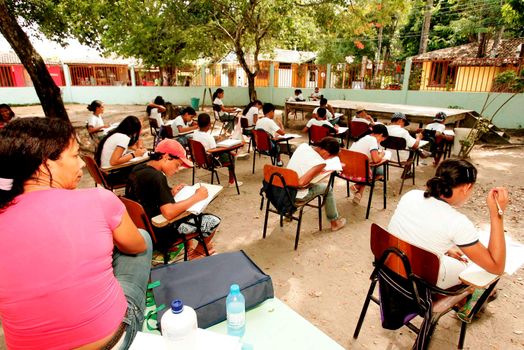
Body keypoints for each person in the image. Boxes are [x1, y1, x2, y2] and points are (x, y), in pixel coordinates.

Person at [0, 117, 152, 349]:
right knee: (142, 238)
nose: (81, 163)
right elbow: (136, 248)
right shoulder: (98, 200)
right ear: (46, 163)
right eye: (74, 155)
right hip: (112, 341)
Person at [388, 159, 508, 290]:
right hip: (418, 282)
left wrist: (446, 250)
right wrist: (497, 214)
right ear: (467, 187)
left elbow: (415, 229)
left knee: (454, 260)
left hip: (389, 266)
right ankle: (464, 300)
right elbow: (497, 267)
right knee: (470, 268)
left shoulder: (411, 195)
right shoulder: (457, 222)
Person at [126, 139, 221, 257]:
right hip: (161, 233)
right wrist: (196, 197)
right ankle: (197, 253)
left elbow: (147, 196)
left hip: (144, 229)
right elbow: (169, 213)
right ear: (166, 157)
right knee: (213, 221)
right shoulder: (157, 177)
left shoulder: (139, 169)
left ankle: (193, 247)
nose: (177, 170)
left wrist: (170, 192)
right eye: (177, 165)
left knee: (189, 211)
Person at [286, 137, 346, 231]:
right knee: (328, 188)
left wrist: (315, 172)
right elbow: (300, 183)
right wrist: (314, 177)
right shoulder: (320, 163)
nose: (327, 159)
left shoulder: (303, 146)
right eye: (330, 157)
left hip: (283, 187)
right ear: (326, 153)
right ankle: (335, 223)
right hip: (295, 194)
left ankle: (288, 213)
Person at [192, 113, 243, 188]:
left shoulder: (195, 133)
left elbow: (205, 143)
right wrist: (227, 150)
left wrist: (216, 140)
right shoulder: (209, 137)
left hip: (199, 159)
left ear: (198, 123)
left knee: (229, 153)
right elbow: (216, 152)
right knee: (231, 156)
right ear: (209, 125)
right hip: (210, 161)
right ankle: (232, 181)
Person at [95, 115, 147, 184]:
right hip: (111, 175)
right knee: (144, 171)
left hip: (105, 173)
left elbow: (135, 147)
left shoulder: (117, 134)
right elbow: (113, 161)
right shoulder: (123, 138)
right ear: (135, 129)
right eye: (140, 128)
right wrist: (134, 154)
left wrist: (138, 138)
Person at [348, 124, 389, 204]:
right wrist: (382, 154)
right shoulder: (373, 140)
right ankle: (357, 186)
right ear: (381, 135)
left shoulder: (362, 137)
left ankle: (359, 192)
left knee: (373, 167)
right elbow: (376, 159)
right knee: (380, 172)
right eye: (382, 139)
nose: (381, 141)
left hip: (349, 168)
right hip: (358, 170)